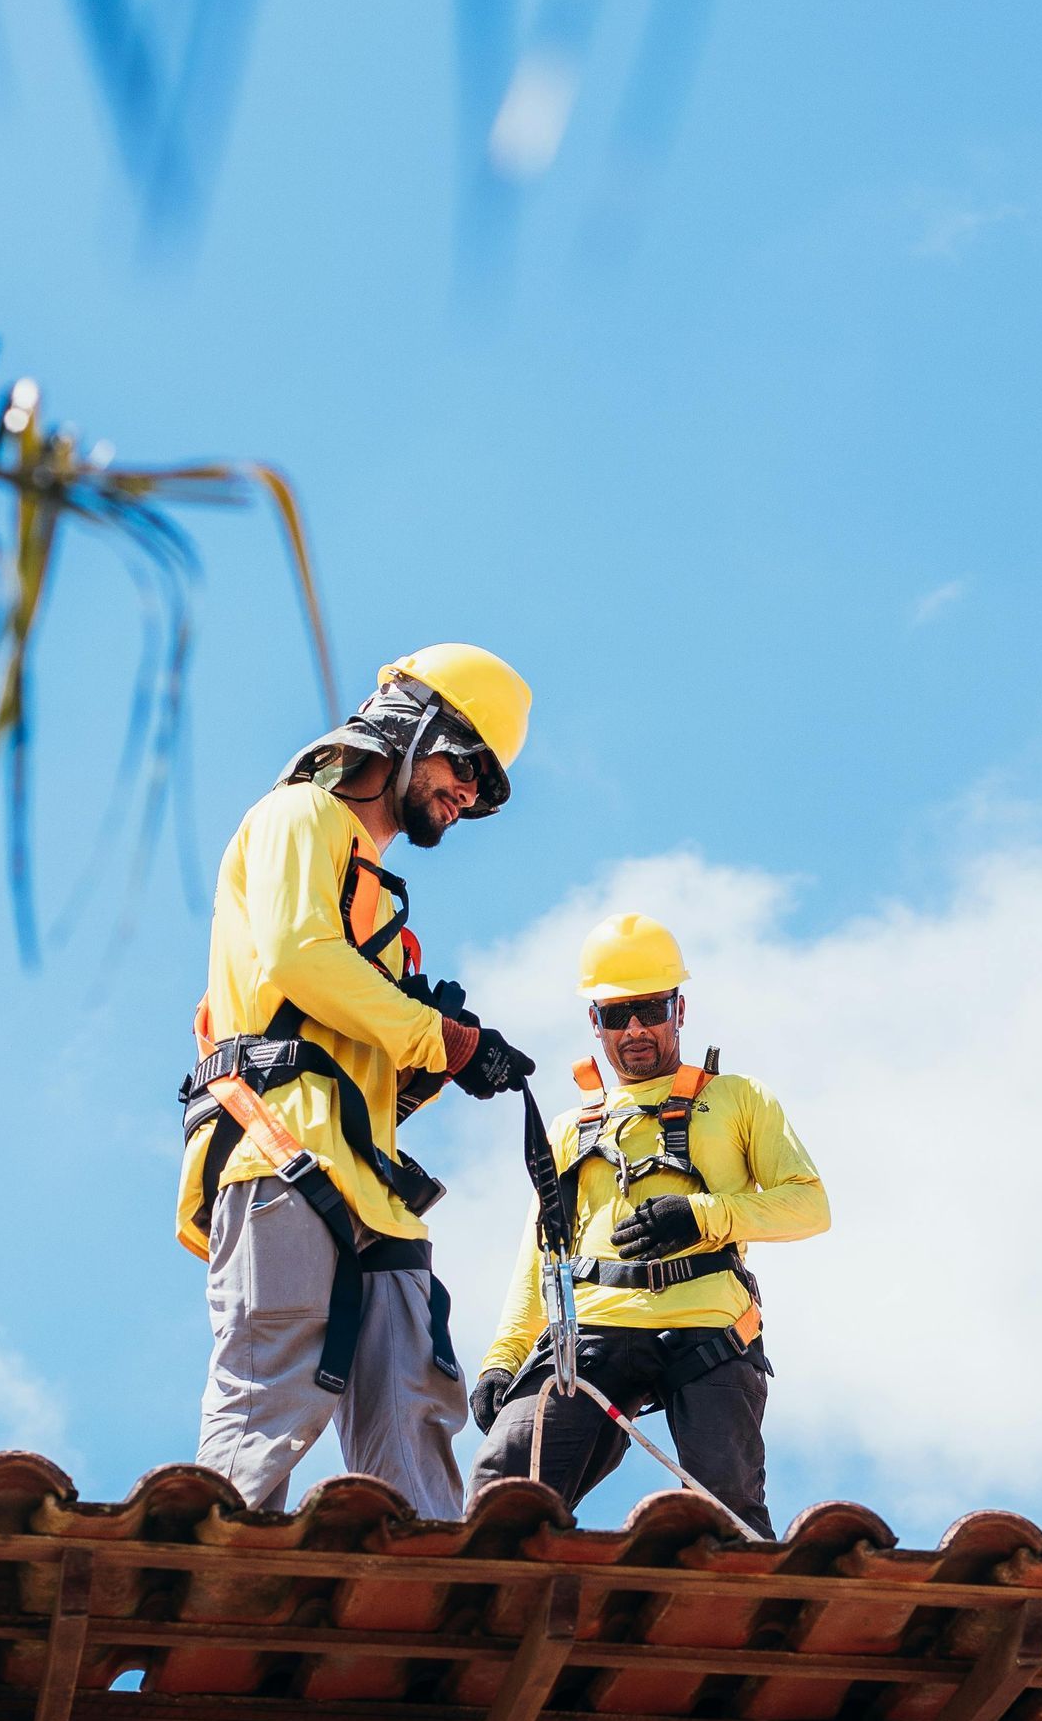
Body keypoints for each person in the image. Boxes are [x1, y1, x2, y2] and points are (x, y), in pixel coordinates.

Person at [178, 646, 537, 1514]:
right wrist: (432, 1035)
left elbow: (364, 1051)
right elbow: (300, 958)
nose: (466, 798)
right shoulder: (299, 815)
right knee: (272, 1394)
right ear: (413, 729)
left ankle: (431, 1613)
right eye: (465, 769)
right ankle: (203, 1580)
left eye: (483, 790)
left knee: (414, 1405)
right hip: (280, 1150)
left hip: (369, 1185)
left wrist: (447, 1056)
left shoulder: (379, 908)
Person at [466, 913, 829, 1539]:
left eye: (650, 1009)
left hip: (708, 1330)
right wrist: (504, 1359)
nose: (634, 1029)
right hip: (593, 1328)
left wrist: (703, 1216)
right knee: (504, 1490)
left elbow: (809, 1206)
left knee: (729, 1519)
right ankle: (498, 1618)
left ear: (678, 1009)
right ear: (595, 1023)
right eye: (616, 1015)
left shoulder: (739, 1099)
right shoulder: (569, 1130)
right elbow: (541, 1256)